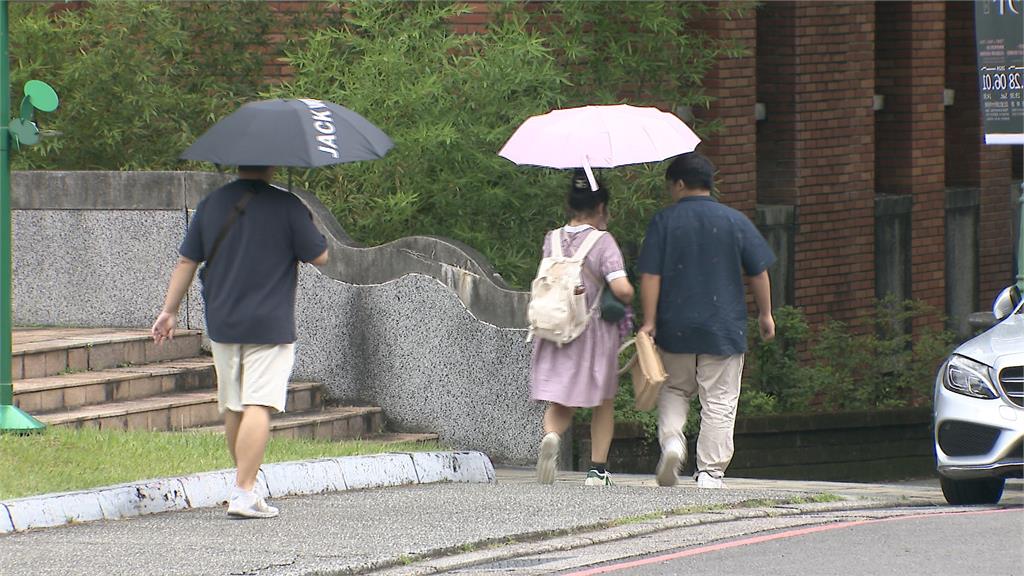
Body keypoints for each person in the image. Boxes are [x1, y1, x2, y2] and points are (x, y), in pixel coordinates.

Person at [151, 165, 328, 518]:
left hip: (222, 319)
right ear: (273, 165)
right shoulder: (287, 205)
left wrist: (169, 311)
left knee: (234, 404)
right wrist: (303, 220)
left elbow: (188, 259)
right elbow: (319, 255)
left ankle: (245, 487)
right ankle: (244, 492)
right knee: (259, 404)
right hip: (269, 322)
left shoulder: (212, 203)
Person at [637, 152, 776, 489]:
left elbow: (651, 275)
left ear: (680, 184)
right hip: (724, 326)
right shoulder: (734, 220)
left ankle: (672, 442)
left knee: (673, 388)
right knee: (720, 398)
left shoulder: (664, 221)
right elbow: (758, 271)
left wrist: (650, 321)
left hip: (675, 325)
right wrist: (766, 314)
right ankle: (710, 472)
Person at [531, 169, 635, 486]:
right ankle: (597, 471)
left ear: (571, 203)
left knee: (562, 399)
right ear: (601, 207)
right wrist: (630, 292)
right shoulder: (603, 243)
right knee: (602, 399)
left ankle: (551, 437)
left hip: (555, 329)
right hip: (591, 333)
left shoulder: (552, 239)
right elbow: (620, 289)